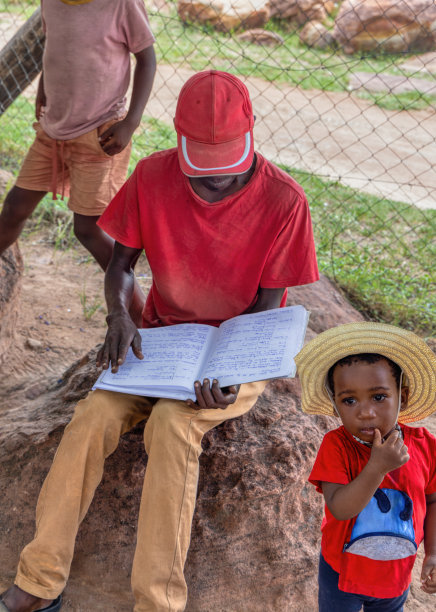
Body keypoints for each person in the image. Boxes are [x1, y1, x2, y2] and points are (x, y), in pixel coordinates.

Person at [0, 69, 319, 612]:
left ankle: (157, 603)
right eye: (202, 170)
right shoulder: (151, 177)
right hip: (161, 342)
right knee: (92, 417)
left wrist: (233, 373)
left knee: (174, 426)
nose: (213, 183)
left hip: (234, 353)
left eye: (225, 170)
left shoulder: (284, 200)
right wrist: (118, 315)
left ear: (250, 134)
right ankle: (39, 581)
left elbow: (268, 309)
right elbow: (121, 263)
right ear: (178, 138)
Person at [0, 0, 156, 323]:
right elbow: (56, 42)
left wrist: (131, 122)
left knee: (87, 229)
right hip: (52, 131)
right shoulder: (52, 2)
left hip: (100, 136)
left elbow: (147, 59)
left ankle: (145, 316)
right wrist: (44, 85)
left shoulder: (120, 4)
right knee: (14, 207)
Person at [295, 322, 436, 612]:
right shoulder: (336, 446)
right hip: (341, 574)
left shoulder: (425, 446)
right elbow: (340, 508)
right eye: (349, 400)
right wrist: (377, 468)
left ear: (403, 397)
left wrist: (433, 551)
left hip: (396, 575)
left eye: (379, 397)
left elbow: (433, 500)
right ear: (335, 407)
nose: (365, 412)